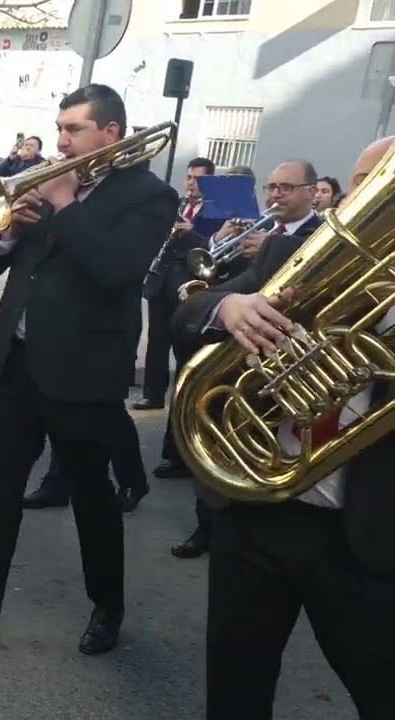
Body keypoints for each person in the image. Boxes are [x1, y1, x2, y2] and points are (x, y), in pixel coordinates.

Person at [0, 84, 176, 655]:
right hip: (13, 365)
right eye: (59, 129)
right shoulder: (53, 183)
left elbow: (117, 271)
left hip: (83, 372)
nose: (61, 142)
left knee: (92, 497)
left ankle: (107, 608)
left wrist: (67, 206)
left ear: (110, 134)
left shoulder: (149, 196)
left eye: (74, 130)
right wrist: (9, 232)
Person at [171, 136, 395, 720]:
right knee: (235, 689)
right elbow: (189, 312)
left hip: (365, 534)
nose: (367, 199)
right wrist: (228, 310)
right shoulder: (283, 257)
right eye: (362, 182)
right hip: (257, 519)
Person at [169, 160, 323, 560]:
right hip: (245, 357)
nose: (275, 195)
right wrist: (226, 246)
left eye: (287, 188)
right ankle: (210, 529)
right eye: (272, 187)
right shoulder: (267, 235)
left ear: (312, 191)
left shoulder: (318, 234)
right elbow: (223, 286)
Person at [138, 156, 215, 412]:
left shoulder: (214, 210)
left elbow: (214, 247)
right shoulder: (177, 204)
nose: (191, 184)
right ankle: (153, 394)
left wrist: (191, 232)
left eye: (198, 179)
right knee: (156, 340)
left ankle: (182, 399)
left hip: (188, 281)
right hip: (162, 278)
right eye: (189, 177)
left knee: (183, 341)